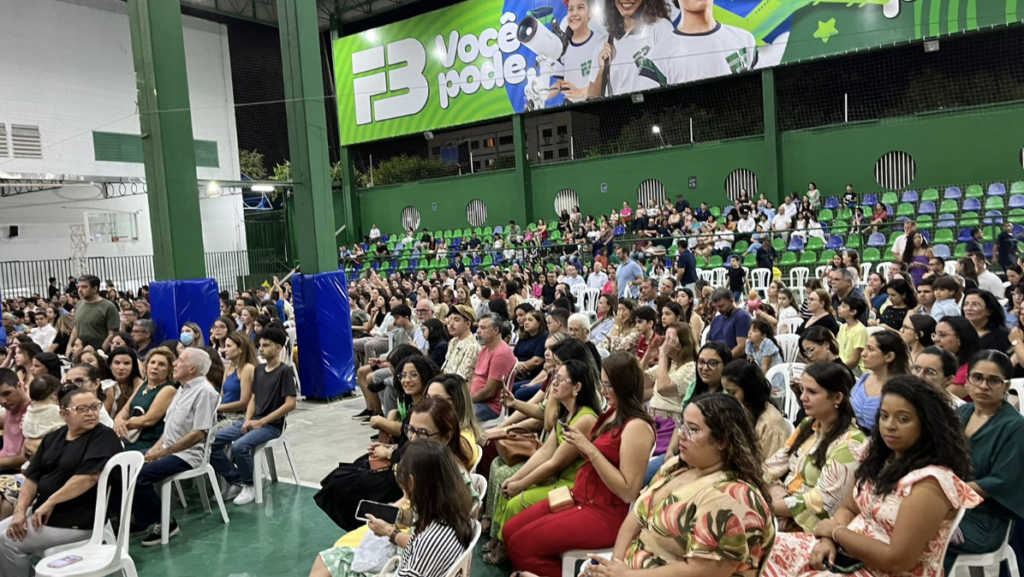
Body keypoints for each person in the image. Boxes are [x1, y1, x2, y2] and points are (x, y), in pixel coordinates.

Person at [765, 377, 980, 577]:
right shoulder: (878, 457)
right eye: (884, 416)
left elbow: (896, 560)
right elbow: (849, 508)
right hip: (847, 554)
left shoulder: (930, 482)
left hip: (886, 571)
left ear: (927, 425)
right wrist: (828, 540)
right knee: (761, 549)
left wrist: (837, 533)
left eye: (903, 419)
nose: (889, 425)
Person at [584, 394, 775, 577]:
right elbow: (634, 519)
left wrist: (627, 575)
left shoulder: (730, 497)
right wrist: (615, 567)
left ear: (722, 441)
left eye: (693, 429)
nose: (681, 435)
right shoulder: (676, 466)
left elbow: (705, 571)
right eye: (682, 425)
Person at [503, 353, 656, 576]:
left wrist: (590, 449)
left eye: (608, 386)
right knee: (510, 531)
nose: (603, 392)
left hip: (604, 512)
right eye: (602, 384)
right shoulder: (613, 414)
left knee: (521, 545)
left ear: (623, 386)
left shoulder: (637, 426)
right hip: (580, 496)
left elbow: (627, 491)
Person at [483, 359, 601, 564]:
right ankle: (500, 542)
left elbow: (555, 462)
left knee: (516, 500)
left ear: (577, 387)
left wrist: (522, 484)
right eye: (555, 377)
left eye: (561, 379)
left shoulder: (585, 419)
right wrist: (517, 478)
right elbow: (546, 451)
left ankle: (506, 549)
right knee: (508, 485)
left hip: (571, 485)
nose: (554, 383)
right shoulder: (566, 412)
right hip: (556, 476)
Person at [0, 388, 122, 577]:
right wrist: (20, 511)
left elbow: (87, 477)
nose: (91, 413)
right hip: (44, 513)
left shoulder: (104, 437)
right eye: (81, 409)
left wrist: (50, 502)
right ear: (64, 414)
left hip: (76, 518)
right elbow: (32, 477)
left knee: (7, 541)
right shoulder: (54, 437)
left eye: (94, 407)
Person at [310, 439, 476, 577]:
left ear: (411, 482)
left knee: (328, 560)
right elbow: (416, 534)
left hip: (400, 569)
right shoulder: (454, 513)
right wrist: (390, 531)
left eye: (397, 471)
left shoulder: (430, 538)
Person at [128, 348, 221, 545]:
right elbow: (170, 428)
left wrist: (163, 452)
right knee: (126, 466)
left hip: (188, 455)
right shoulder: (182, 388)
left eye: (179, 360)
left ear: (192, 368)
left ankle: (166, 522)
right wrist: (155, 449)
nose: (175, 363)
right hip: (169, 449)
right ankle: (144, 519)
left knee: (141, 476)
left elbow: (198, 434)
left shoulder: (204, 392)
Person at [764, 361, 867, 532]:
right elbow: (775, 463)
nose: (803, 397)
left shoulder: (851, 443)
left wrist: (768, 506)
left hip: (811, 528)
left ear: (837, 398)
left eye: (811, 392)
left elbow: (823, 502)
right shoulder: (809, 425)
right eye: (803, 389)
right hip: (781, 504)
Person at [945, 350, 1024, 572]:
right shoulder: (964, 412)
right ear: (967, 380)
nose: (983, 385)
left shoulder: (1015, 427)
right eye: (977, 377)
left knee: (919, 534)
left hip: (986, 518)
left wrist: (947, 490)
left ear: (1006, 386)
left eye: (994, 380)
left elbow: (1001, 482)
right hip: (951, 503)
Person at [212, 327, 297, 506]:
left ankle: (251, 485)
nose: (261, 349)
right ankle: (238, 480)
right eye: (260, 345)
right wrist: (249, 420)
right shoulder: (259, 370)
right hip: (254, 420)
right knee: (212, 442)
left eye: (266, 345)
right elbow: (253, 398)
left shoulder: (284, 372)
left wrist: (261, 421)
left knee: (240, 446)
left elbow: (290, 404)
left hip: (272, 426)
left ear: (278, 348)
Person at [721, 360, 790, 459]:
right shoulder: (742, 409)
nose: (728, 398)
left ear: (749, 390)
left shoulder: (771, 424)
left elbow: (770, 468)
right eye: (726, 392)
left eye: (732, 392)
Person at [113, 347, 177, 453]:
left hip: (148, 442)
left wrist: (122, 425)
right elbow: (125, 410)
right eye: (152, 362)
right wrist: (118, 421)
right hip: (128, 436)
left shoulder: (168, 389)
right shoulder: (142, 385)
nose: (155, 367)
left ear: (169, 370)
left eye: (161, 364)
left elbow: (148, 420)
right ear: (146, 365)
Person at [851, 330, 912, 432]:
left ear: (889, 357)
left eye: (870, 349)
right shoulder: (864, 379)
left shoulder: (903, 390)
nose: (863, 353)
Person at [471, 313, 517, 422]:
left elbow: (489, 392)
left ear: (496, 331)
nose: (477, 331)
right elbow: (475, 377)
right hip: (477, 400)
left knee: (452, 415)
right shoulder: (486, 348)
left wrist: (466, 402)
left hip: (490, 407)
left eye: (483, 328)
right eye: (478, 327)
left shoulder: (501, 354)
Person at [646, 322, 697, 416]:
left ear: (681, 344)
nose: (664, 343)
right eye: (665, 338)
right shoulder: (670, 364)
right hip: (654, 416)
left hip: (671, 420)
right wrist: (648, 354)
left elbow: (663, 388)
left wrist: (663, 354)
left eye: (669, 339)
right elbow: (639, 380)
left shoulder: (691, 367)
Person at [65, 275, 120, 356]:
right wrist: (69, 346)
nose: (80, 290)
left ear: (95, 289)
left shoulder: (108, 307)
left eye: (84, 287)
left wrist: (100, 352)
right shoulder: (79, 305)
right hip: (80, 354)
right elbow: (76, 328)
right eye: (78, 287)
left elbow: (112, 334)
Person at [932, 316, 979, 399]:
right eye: (935, 334)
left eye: (942, 335)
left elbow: (937, 399)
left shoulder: (968, 371)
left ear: (960, 339)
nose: (935, 339)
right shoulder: (942, 362)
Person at [217, 332, 257, 420]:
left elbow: (244, 402)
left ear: (240, 349)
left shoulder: (247, 368)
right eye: (225, 346)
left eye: (229, 346)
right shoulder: (228, 368)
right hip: (223, 413)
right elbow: (222, 396)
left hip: (238, 416)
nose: (225, 350)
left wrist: (218, 408)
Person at [706, 287, 752, 360]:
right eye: (716, 307)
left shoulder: (742, 317)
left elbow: (742, 347)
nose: (718, 310)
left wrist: (722, 361)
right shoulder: (716, 319)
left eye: (721, 306)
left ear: (731, 300)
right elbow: (709, 342)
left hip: (733, 362)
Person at [0, 369, 30, 474]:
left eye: (7, 393)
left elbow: (28, 458)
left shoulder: (33, 414)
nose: (2, 401)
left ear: (19, 386)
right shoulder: (12, 406)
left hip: (17, 472)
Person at [440, 305, 479, 381]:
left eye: (456, 320)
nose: (451, 324)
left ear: (468, 324)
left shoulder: (472, 347)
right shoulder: (453, 341)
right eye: (450, 319)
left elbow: (460, 380)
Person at [745, 319, 784, 395]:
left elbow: (764, 367)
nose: (749, 332)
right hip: (762, 373)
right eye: (750, 329)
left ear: (763, 335)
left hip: (774, 375)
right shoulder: (749, 342)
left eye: (754, 330)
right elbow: (749, 362)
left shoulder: (767, 344)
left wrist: (764, 386)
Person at [837, 294, 869, 375]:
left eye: (844, 306)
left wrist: (838, 367)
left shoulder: (859, 331)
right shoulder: (843, 327)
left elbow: (855, 360)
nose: (839, 307)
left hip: (856, 368)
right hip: (843, 364)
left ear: (853, 312)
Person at [513, 310, 547, 383]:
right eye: (525, 320)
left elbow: (536, 361)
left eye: (530, 320)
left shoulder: (544, 337)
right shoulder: (524, 337)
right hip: (517, 370)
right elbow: (514, 355)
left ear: (539, 323)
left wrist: (516, 369)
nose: (526, 322)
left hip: (532, 375)